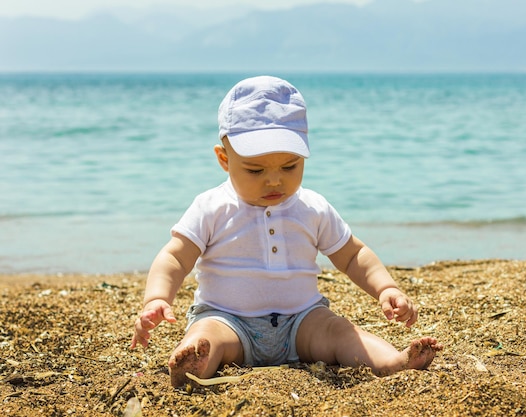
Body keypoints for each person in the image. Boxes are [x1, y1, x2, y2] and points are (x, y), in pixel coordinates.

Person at [130, 75, 443, 387]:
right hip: (228, 320)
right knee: (207, 335)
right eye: (256, 170)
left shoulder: (312, 207)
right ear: (224, 159)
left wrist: (386, 288)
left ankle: (392, 362)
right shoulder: (212, 207)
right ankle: (194, 364)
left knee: (340, 332)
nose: (275, 181)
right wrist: (156, 298)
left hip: (302, 321)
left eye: (289, 166)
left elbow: (352, 255)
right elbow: (175, 258)